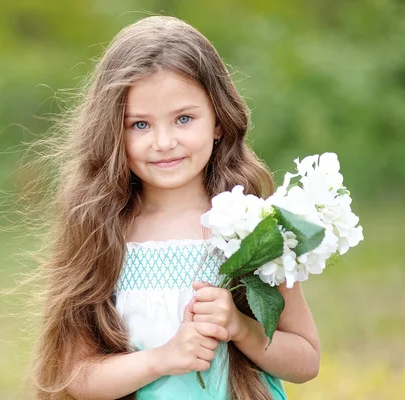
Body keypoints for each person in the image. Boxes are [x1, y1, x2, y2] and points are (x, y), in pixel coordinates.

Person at [25, 15, 321, 400]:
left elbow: (307, 360)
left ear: (218, 120)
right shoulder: (102, 229)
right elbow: (75, 376)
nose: (163, 142)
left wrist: (240, 327)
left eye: (183, 118)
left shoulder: (252, 227)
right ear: (112, 130)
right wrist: (163, 358)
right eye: (139, 125)